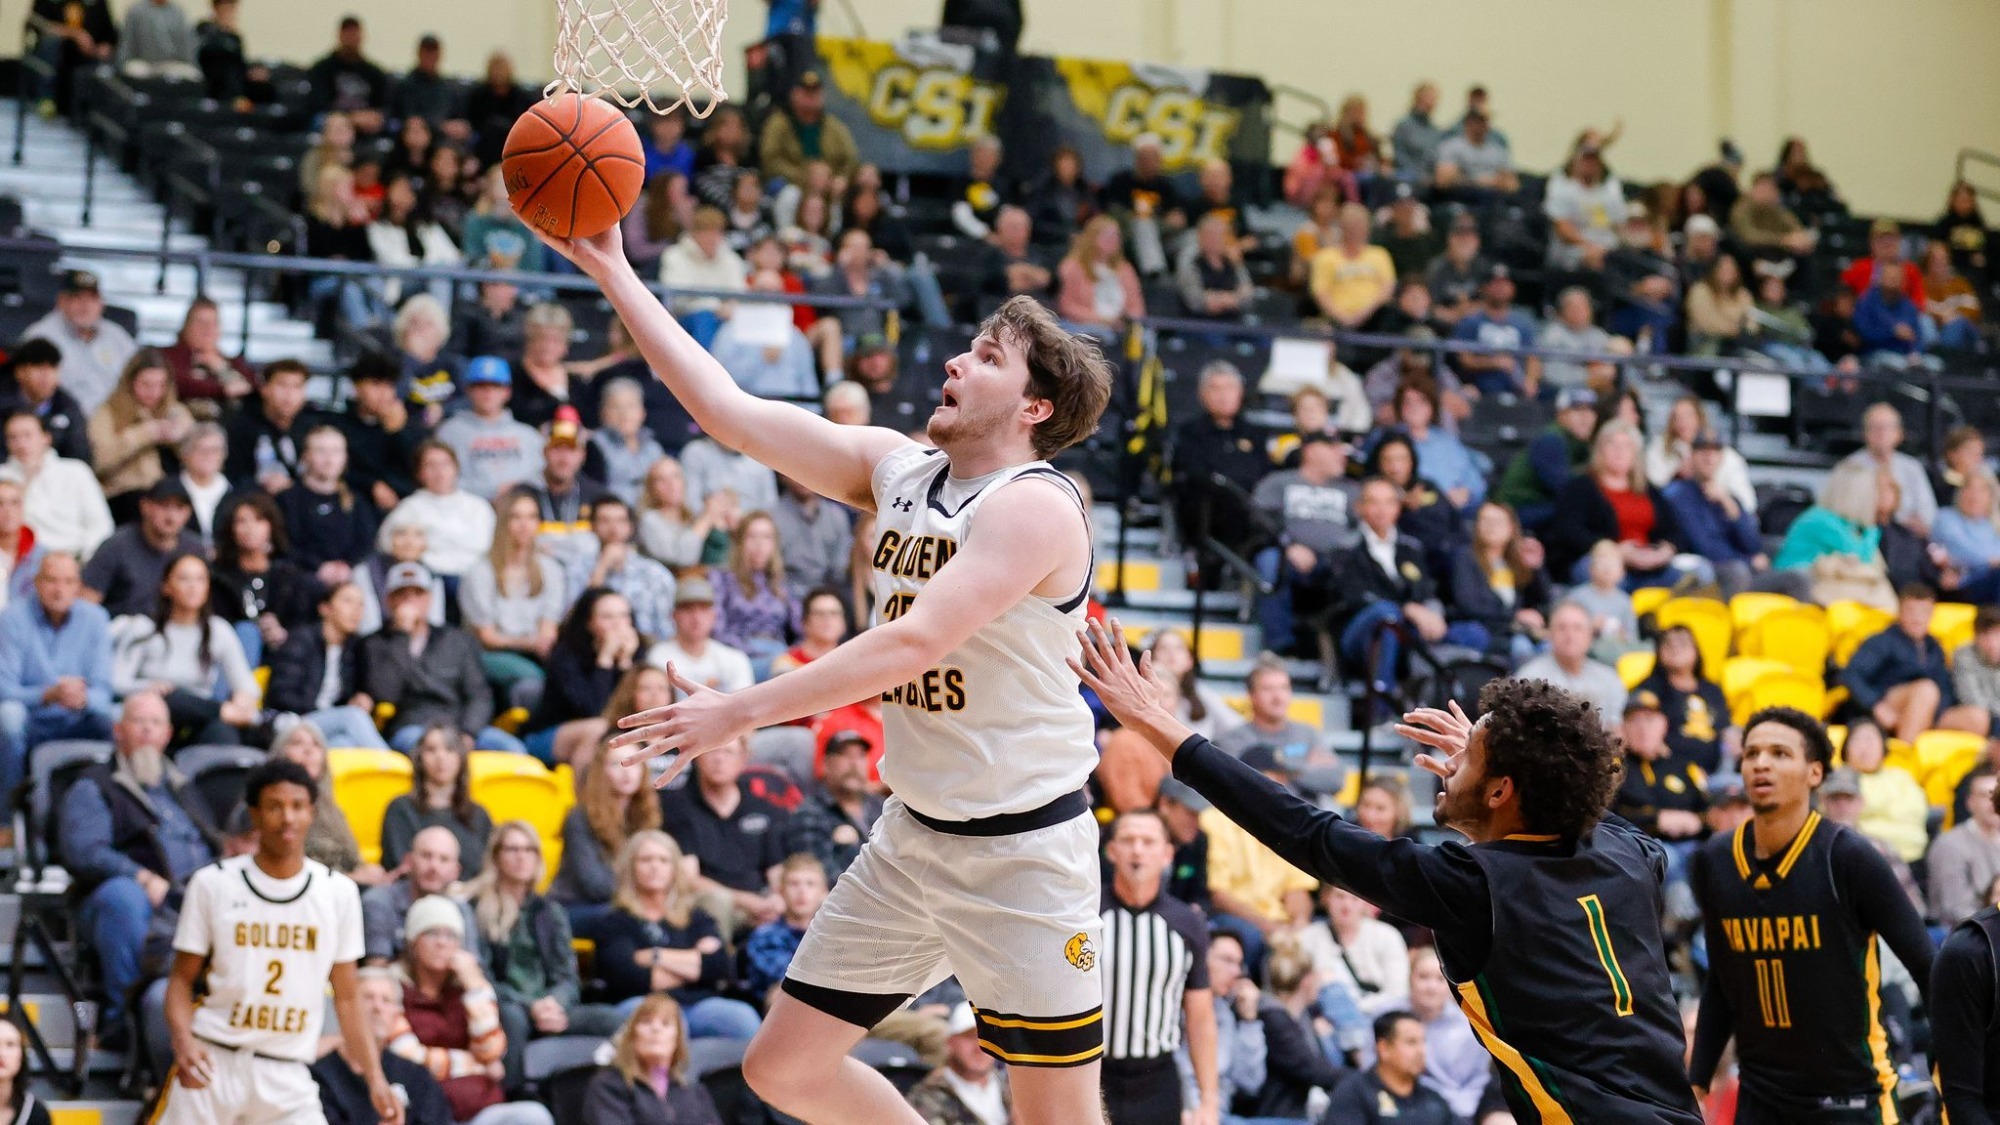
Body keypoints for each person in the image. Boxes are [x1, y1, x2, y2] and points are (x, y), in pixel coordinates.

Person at [543, 201, 1116, 1118]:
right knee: (784, 1069)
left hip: (1024, 853)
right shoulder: (897, 468)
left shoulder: (1036, 505)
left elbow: (912, 643)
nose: (957, 361)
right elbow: (728, 412)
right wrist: (612, 268)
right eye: (967, 346)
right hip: (915, 835)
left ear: (1034, 407)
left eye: (987, 357)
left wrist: (738, 708)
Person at [1075, 624, 1703, 1123]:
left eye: (1468, 761)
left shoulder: (1472, 881)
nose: (1449, 764)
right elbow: (1591, 818)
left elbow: (1306, 832)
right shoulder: (1631, 857)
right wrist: (1502, 768)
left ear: (1501, 790)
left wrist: (1162, 726)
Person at [1687, 707, 1934, 1123]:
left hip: (1852, 1099)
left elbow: (1930, 967)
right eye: (1752, 753)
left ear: (1815, 773)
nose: (1761, 762)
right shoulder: (1714, 862)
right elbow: (1721, 984)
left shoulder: (1849, 857)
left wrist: (1954, 1067)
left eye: (1780, 753)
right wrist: (1698, 1081)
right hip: (1761, 1101)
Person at [155, 759, 400, 1125]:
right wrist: (183, 1041)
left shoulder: (339, 893)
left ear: (312, 813)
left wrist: (376, 1078)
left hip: (287, 1071)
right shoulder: (213, 884)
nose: (288, 818)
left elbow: (348, 999)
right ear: (254, 814)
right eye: (275, 806)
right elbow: (180, 981)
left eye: (298, 806)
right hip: (215, 1059)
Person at [61, 692, 224, 1040]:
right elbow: (85, 851)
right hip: (124, 904)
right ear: (119, 730)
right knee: (123, 896)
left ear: (168, 734)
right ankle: (124, 1019)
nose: (148, 731)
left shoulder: (184, 787)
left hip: (191, 899)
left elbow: (213, 844)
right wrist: (140, 876)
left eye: (156, 723)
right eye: (139, 721)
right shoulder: (94, 784)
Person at [464, 822, 618, 1083]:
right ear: (496, 857)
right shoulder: (478, 909)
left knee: (610, 1019)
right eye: (512, 849)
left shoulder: (550, 911)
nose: (521, 857)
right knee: (513, 1019)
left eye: (529, 850)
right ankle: (511, 1095)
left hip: (549, 1007)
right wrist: (530, 1006)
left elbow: (567, 976)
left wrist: (555, 1003)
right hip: (509, 1005)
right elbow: (482, 977)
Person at [387, 896, 554, 1125]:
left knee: (533, 1116)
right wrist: (476, 1065)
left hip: (481, 1109)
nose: (442, 943)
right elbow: (409, 1059)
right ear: (413, 942)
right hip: (428, 1112)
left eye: (450, 936)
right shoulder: (392, 988)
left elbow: (490, 1051)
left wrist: (475, 987)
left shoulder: (469, 987)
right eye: (432, 933)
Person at [1097, 810, 1217, 1125]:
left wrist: (1209, 1099)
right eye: (1128, 840)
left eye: (1148, 841)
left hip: (1157, 1078)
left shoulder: (1187, 923)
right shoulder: (1087, 917)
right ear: (1111, 851)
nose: (1137, 850)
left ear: (1167, 855)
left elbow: (1201, 1018)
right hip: (1092, 1076)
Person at [591, 831, 761, 1038]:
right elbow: (628, 976)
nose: (655, 866)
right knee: (665, 1023)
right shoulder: (615, 921)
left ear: (674, 869)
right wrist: (694, 965)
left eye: (664, 860)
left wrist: (654, 956)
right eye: (646, 860)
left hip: (698, 1005)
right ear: (630, 867)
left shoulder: (697, 917)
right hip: (643, 1005)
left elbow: (719, 965)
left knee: (743, 1018)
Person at [1319, 477, 1481, 694]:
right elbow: (1355, 596)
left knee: (1476, 633)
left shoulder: (1411, 548)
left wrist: (1433, 615)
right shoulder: (1344, 548)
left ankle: (1454, 702)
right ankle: (1380, 707)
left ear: (1398, 507)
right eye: (1373, 502)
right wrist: (1408, 609)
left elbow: (1425, 591)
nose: (1381, 509)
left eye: (1388, 502)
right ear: (1359, 507)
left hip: (1409, 628)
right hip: (1359, 631)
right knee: (1387, 616)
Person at [362, 562, 526, 755]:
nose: (410, 601)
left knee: (514, 749)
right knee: (425, 749)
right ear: (388, 601)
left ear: (429, 599)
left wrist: (468, 732)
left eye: (418, 594)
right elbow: (386, 693)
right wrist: (401, 637)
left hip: (458, 723)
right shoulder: (374, 644)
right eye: (402, 595)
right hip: (412, 726)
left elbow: (479, 694)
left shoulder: (457, 640)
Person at [112, 552, 261, 747]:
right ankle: (220, 711)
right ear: (166, 586)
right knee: (171, 697)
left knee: (222, 730)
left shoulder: (218, 629)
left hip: (198, 716)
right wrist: (147, 687)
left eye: (200, 579)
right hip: (151, 714)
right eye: (184, 579)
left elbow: (247, 686)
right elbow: (116, 681)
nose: (193, 587)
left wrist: (243, 699)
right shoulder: (144, 627)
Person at [0, 552, 113, 798]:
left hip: (79, 715)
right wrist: (47, 694)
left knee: (122, 717)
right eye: (51, 580)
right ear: (36, 583)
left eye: (68, 581)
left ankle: (114, 805)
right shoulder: (12, 619)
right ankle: (9, 816)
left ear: (78, 586)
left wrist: (83, 698)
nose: (59, 590)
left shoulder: (95, 619)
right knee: (8, 717)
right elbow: (4, 688)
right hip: (33, 716)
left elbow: (104, 688)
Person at [1845, 582, 1990, 744]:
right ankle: (1905, 754)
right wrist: (1876, 706)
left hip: (1930, 710)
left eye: (1924, 612)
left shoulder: (1935, 647)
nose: (1917, 618)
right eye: (1911, 611)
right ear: (1900, 612)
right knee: (1926, 690)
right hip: (1889, 706)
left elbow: (1945, 688)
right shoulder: (1882, 641)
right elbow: (1852, 675)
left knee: (1978, 717)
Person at [313, 968, 454, 1125]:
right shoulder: (318, 1075)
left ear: (397, 1015)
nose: (377, 1008)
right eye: (367, 998)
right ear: (346, 1010)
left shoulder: (416, 1076)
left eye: (386, 1000)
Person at [268, 722, 386, 884]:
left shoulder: (331, 808)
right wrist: (352, 878)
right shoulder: (269, 808)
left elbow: (353, 859)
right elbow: (286, 871)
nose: (308, 751)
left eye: (316, 745)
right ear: (279, 754)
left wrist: (367, 871)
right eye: (297, 743)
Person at [582, 994, 725, 1125]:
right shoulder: (608, 1086)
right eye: (646, 1022)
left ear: (677, 1040)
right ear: (632, 1036)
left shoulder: (694, 1092)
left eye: (665, 1023)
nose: (656, 1029)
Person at [88, 350, 193, 521]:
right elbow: (98, 460)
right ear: (130, 383)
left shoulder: (173, 409)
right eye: (146, 385)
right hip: (123, 495)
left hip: (167, 495)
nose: (154, 392)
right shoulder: (107, 413)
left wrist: (178, 435)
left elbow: (193, 438)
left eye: (161, 385)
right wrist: (143, 434)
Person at [382, 725, 495, 877]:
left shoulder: (478, 815)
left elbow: (488, 871)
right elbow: (399, 868)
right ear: (419, 758)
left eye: (449, 749)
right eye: (431, 749)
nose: (441, 757)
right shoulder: (401, 809)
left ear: (461, 758)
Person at [1447, 500, 1550, 665]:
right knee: (1521, 647)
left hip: (1517, 631)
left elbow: (1544, 603)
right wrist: (1514, 616)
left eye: (1497, 521)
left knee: (1549, 646)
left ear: (1511, 528)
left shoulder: (1514, 561)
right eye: (1485, 520)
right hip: (1484, 631)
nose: (1491, 526)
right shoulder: (1465, 557)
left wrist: (1536, 569)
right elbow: (1468, 604)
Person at [81, 477, 201, 618]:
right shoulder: (116, 546)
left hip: (177, 629)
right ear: (145, 506)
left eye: (179, 508)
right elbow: (86, 604)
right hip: (122, 629)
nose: (171, 516)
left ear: (188, 513)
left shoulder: (195, 549)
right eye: (163, 505)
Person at [22, 269, 138, 414]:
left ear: (101, 303)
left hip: (115, 422)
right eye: (77, 298)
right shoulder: (40, 337)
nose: (86, 306)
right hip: (63, 423)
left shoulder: (116, 335)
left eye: (92, 299)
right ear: (61, 301)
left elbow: (139, 376)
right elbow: (29, 393)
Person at [361, 826, 481, 964]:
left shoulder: (460, 909)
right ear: (408, 861)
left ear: (456, 870)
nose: (434, 866)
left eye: (444, 859)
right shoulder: (379, 902)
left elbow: (472, 966)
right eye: (426, 856)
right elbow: (376, 970)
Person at [3, 411, 114, 560]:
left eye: (27, 435)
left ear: (45, 438)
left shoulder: (76, 471)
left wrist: (83, 559)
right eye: (13, 438)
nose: (21, 444)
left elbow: (101, 525)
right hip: (20, 563)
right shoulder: (3, 476)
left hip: (74, 559)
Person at [433, 358, 544, 502]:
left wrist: (518, 490)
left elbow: (542, 478)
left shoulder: (529, 435)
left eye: (495, 386)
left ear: (507, 391)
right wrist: (491, 491)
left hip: (521, 511)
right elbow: (439, 479)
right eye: (481, 385)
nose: (488, 392)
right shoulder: (449, 432)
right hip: (466, 511)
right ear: (469, 390)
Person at [1492, 386, 1597, 532]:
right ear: (1561, 414)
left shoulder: (1579, 443)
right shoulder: (1551, 439)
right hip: (1518, 510)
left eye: (1591, 410)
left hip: (1536, 506)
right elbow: (1565, 490)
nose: (1586, 417)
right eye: (1578, 409)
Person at [1323, 1011, 1456, 1125]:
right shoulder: (1353, 1095)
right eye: (1411, 1042)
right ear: (1383, 1048)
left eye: (1423, 1042)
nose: (1421, 1051)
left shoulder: (1433, 1100)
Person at [1837, 403, 1938, 537]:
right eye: (1875, 428)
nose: (1882, 433)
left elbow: (1929, 516)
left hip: (1907, 540)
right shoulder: (1849, 467)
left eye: (1888, 427)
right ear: (1864, 433)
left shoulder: (1912, 467)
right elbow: (1842, 513)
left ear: (1900, 434)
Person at [644, 578, 754, 693]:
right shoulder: (658, 657)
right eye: (688, 610)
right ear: (674, 615)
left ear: (713, 616)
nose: (696, 618)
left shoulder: (734, 659)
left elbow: (744, 706)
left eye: (703, 609)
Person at [1448, 264, 1540, 397]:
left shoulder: (1523, 323)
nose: (1500, 288)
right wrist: (1495, 362)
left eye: (1504, 284)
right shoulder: (1471, 321)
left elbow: (1533, 358)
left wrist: (1531, 381)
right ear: (1484, 288)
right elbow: (1464, 359)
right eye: (1495, 284)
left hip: (1516, 382)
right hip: (1482, 383)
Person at [1, 337, 93, 466]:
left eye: (52, 367)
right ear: (19, 372)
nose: (46, 375)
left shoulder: (68, 407)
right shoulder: (3, 405)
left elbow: (80, 455)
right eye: (38, 368)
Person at [1053, 214, 1144, 343]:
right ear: (1092, 237)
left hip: (1118, 326)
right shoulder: (1072, 266)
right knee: (1101, 335)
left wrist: (1127, 320)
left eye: (1116, 236)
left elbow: (1136, 306)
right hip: (1082, 325)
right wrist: (1102, 320)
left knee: (1144, 338)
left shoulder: (1126, 269)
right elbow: (1067, 306)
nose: (1113, 240)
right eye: (1107, 236)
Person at [1931, 770, 2000, 928]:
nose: (1993, 802)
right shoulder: (1950, 844)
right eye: (1985, 795)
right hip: (1965, 935)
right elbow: (1955, 909)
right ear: (1970, 802)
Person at [1310, 203, 1396, 330]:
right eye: (1350, 225)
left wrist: (1364, 313)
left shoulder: (1379, 255)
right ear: (1341, 227)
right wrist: (1344, 318)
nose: (1355, 230)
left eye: (1359, 225)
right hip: (1336, 320)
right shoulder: (1325, 257)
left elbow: (1386, 289)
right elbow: (1320, 292)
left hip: (1375, 317)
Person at [1544, 144, 1626, 272]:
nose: (1590, 166)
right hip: (1574, 249)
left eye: (1594, 162)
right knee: (1593, 260)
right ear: (1576, 164)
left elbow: (1620, 225)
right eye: (1586, 161)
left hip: (1607, 247)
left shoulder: (1608, 193)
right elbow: (1562, 227)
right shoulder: (1564, 189)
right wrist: (1588, 245)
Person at [1177, 213, 1254, 321]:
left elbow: (1248, 295)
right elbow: (1194, 300)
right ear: (1201, 237)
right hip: (1199, 322)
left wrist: (1221, 298)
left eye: (1220, 235)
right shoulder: (1192, 262)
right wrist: (1230, 298)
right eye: (1211, 235)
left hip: (1233, 320)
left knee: (1263, 337)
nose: (1216, 239)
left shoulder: (1233, 262)